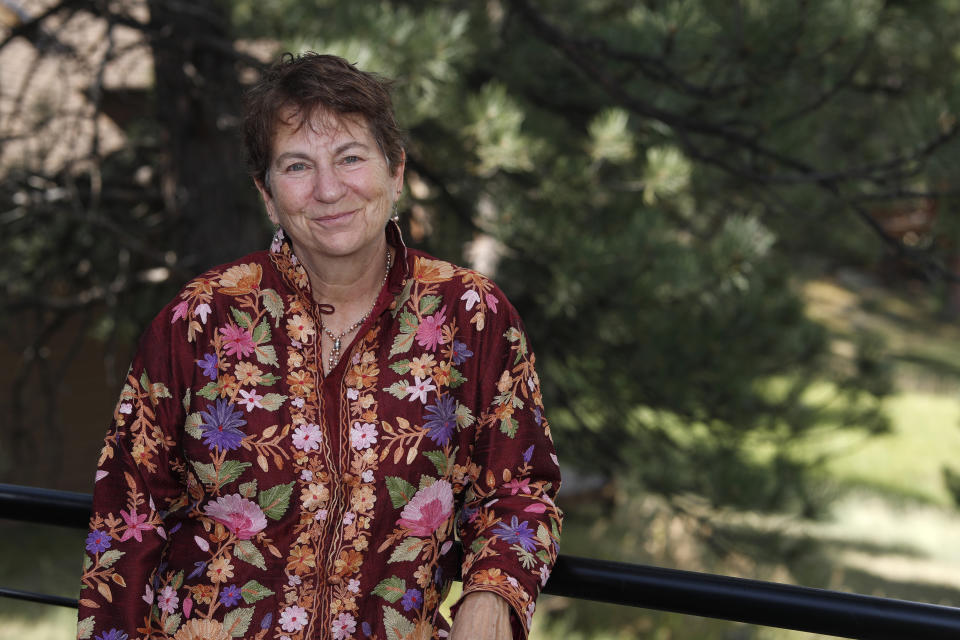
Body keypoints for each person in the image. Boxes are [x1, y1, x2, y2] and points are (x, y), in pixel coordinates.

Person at [77, 52, 561, 640]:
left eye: (351, 157)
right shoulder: (200, 320)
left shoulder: (470, 315)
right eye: (298, 165)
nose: (329, 189)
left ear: (396, 170)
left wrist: (492, 593)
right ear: (266, 193)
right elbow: (127, 520)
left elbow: (522, 489)